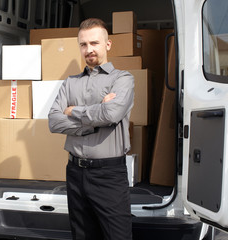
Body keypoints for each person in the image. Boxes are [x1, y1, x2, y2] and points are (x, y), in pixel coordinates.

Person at [48, 18, 134, 240]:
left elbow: (111, 114)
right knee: (82, 235)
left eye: (94, 43)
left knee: (118, 236)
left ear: (108, 44)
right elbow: (54, 121)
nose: (89, 50)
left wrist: (73, 110)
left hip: (109, 174)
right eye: (83, 44)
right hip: (75, 172)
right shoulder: (70, 82)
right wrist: (92, 123)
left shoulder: (123, 79)